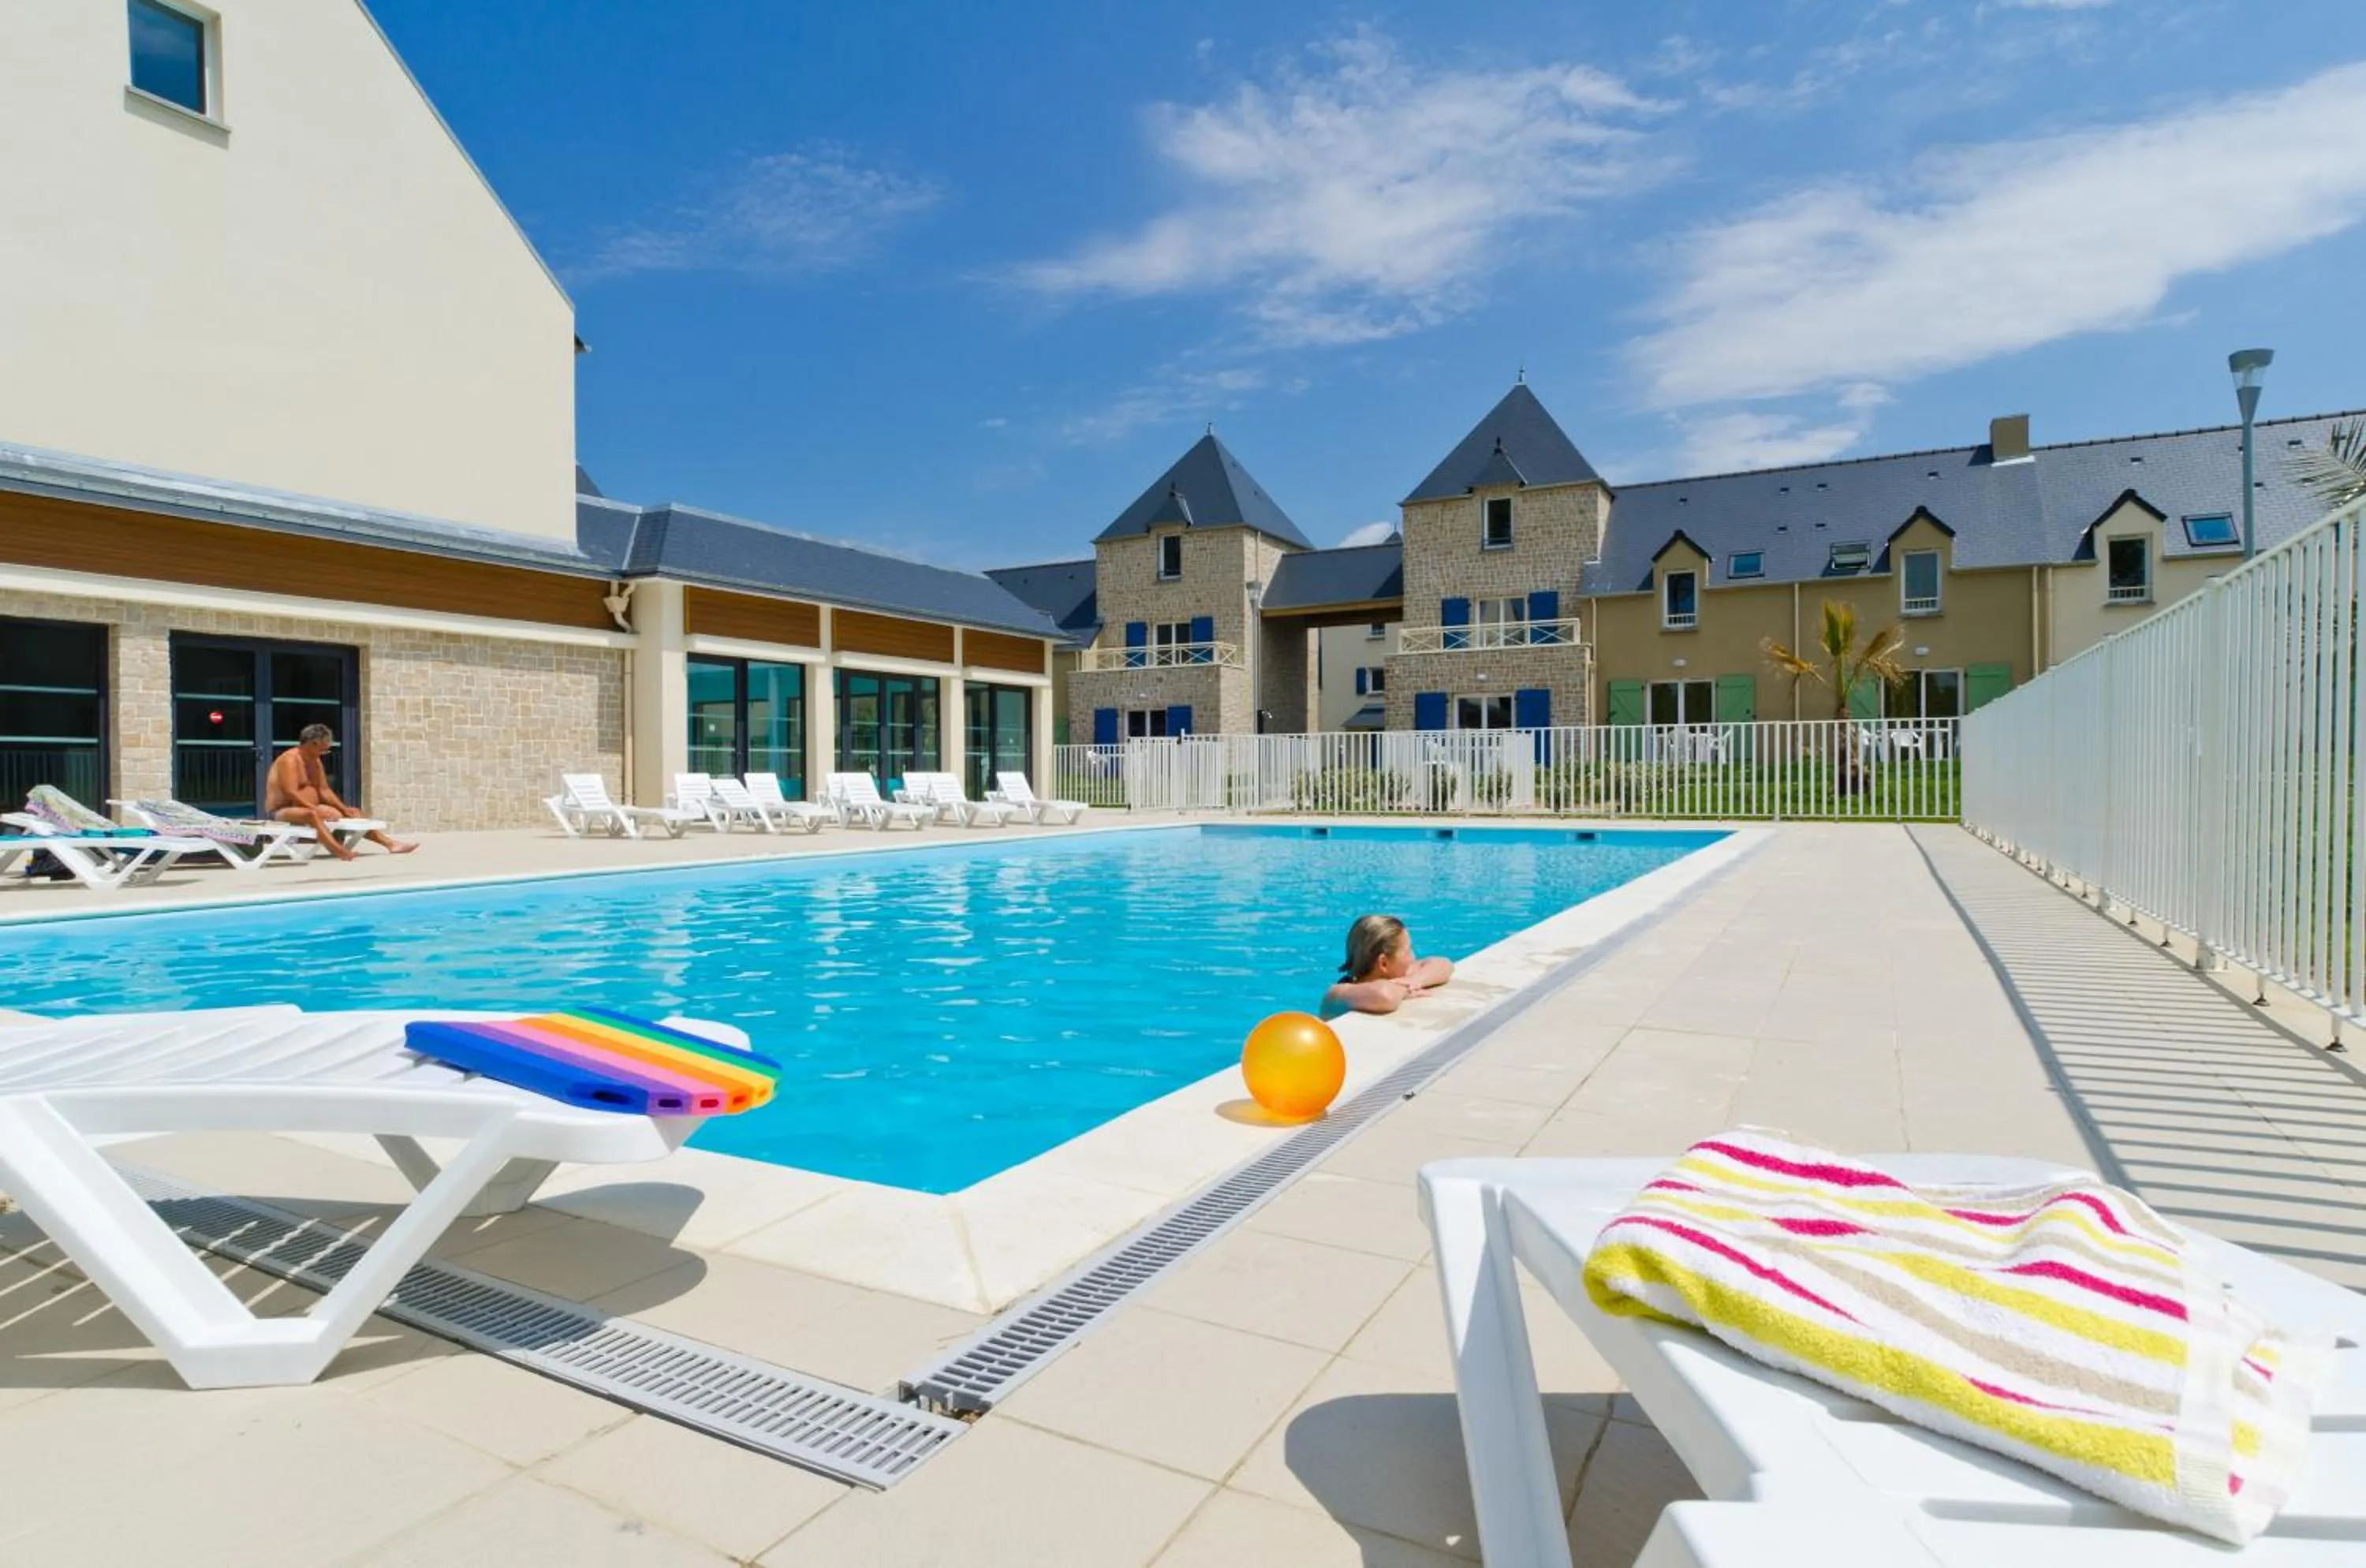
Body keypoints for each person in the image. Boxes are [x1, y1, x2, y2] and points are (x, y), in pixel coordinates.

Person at [265, 724, 416, 860]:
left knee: (355, 813)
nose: (325, 752)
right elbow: (291, 791)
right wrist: (314, 808)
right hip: (281, 811)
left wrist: (344, 809)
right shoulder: (290, 760)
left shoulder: (314, 760)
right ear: (313, 743)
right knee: (312, 815)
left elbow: (324, 790)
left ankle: (391, 844)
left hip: (307, 807)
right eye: (323, 749)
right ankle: (339, 851)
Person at [1323, 913, 1454, 1017]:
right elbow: (1385, 996)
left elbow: (1444, 964)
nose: (1413, 957)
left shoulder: (1399, 976)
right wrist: (1405, 989)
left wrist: (1415, 980)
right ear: (1384, 963)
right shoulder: (1337, 994)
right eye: (1408, 951)